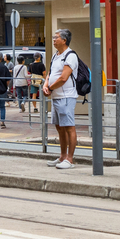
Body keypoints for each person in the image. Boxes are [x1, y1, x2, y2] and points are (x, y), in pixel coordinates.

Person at [43, 29, 81, 170]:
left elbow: (63, 78)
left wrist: (50, 89)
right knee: (60, 127)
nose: (54, 39)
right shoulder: (55, 56)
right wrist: (46, 85)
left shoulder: (70, 56)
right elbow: (50, 74)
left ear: (64, 40)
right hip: (56, 97)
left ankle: (70, 159)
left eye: (56, 37)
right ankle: (62, 156)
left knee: (69, 127)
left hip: (66, 97)